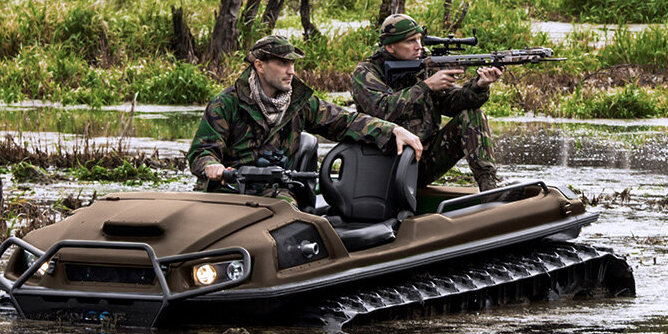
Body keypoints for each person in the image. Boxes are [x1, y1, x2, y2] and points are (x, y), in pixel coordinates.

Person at [188, 35, 423, 205]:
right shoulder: (226, 104)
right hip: (226, 192)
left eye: (293, 64)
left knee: (287, 219)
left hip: (273, 194)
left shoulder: (300, 103)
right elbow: (202, 152)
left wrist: (392, 130)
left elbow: (345, 122)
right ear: (259, 65)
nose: (291, 71)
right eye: (283, 63)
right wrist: (212, 167)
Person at [350, 14, 503, 192]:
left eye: (420, 39)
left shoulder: (423, 65)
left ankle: (489, 187)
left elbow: (452, 104)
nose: (419, 47)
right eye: (410, 41)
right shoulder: (366, 72)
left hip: (423, 158)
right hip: (384, 165)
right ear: (390, 46)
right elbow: (382, 110)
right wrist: (427, 86)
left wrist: (479, 85)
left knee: (473, 115)